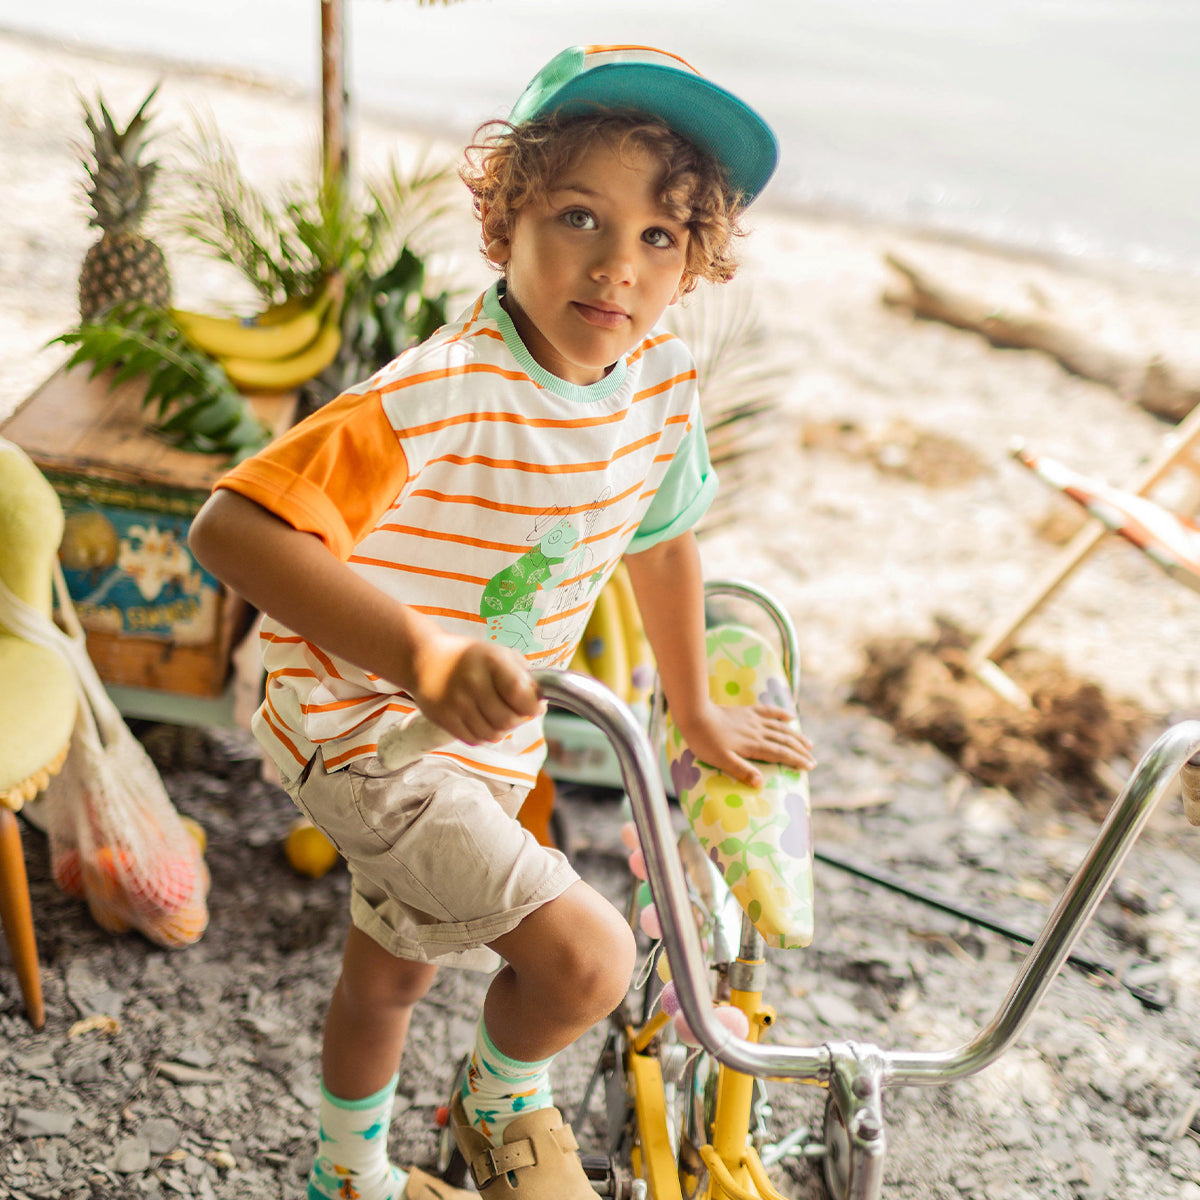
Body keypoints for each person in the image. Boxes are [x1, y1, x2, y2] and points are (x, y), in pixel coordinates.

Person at [189, 43, 815, 1200]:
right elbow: (232, 530)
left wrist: (695, 701)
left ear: (696, 262)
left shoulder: (660, 379)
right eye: (581, 215)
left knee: (391, 976)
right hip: (359, 716)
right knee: (588, 959)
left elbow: (662, 537)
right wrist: (419, 651)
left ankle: (348, 1176)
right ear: (505, 216)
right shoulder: (439, 394)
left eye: (660, 236)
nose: (616, 266)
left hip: (479, 734)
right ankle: (496, 1102)